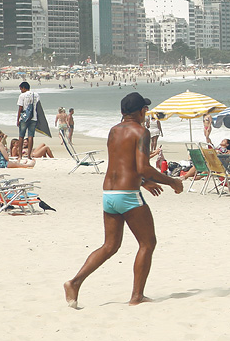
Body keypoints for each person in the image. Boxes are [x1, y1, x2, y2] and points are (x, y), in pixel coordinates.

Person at [64, 92, 183, 308]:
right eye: (145, 109)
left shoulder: (113, 131)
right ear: (140, 111)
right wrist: (172, 181)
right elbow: (143, 167)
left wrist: (145, 182)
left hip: (109, 193)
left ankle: (74, 282)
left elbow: (122, 162)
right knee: (148, 243)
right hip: (128, 195)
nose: (146, 112)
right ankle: (137, 296)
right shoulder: (142, 132)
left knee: (110, 245)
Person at [16, 81, 40, 159]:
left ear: (24, 88)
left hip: (24, 118)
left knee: (21, 136)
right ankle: (29, 155)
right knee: (31, 136)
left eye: (21, 89)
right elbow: (38, 108)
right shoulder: (36, 95)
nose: (21, 91)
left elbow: (20, 108)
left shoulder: (22, 95)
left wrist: (18, 119)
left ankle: (20, 156)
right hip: (34, 117)